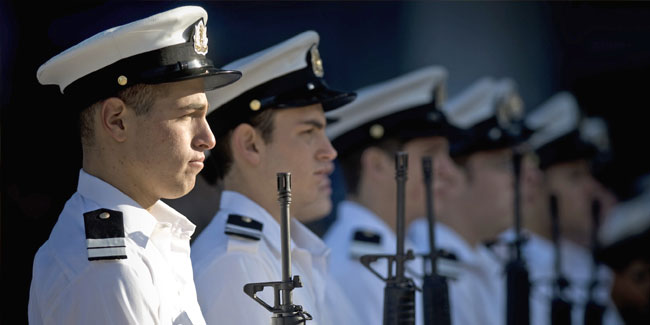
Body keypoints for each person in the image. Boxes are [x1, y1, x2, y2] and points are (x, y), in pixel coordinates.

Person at [28, 6, 241, 324]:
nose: (208, 139)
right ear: (117, 121)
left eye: (204, 116)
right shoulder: (107, 270)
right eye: (186, 115)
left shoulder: (147, 242)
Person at [190, 31, 363, 324]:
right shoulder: (236, 266)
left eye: (324, 132)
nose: (330, 152)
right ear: (250, 145)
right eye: (309, 132)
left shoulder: (290, 255)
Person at [323, 66, 455, 325]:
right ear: (377, 165)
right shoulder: (357, 268)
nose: (449, 172)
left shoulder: (402, 250)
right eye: (431, 155)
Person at [407, 77, 527, 325]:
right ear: (455, 176)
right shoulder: (430, 270)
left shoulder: (485, 263)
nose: (521, 179)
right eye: (503, 165)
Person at [508, 92, 622, 325]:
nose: (592, 188)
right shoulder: (506, 263)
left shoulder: (587, 267)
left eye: (589, 174)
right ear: (534, 182)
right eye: (575, 177)